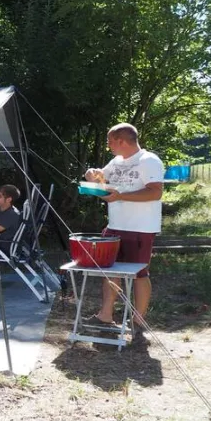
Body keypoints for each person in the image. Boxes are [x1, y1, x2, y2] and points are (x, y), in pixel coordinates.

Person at [84, 123, 164, 331]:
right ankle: (105, 315)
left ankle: (138, 320)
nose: (108, 145)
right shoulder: (116, 161)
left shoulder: (149, 161)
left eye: (110, 141)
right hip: (115, 226)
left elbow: (155, 192)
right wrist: (92, 175)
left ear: (122, 141)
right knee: (110, 271)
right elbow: (102, 179)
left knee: (139, 273)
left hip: (140, 228)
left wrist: (121, 196)